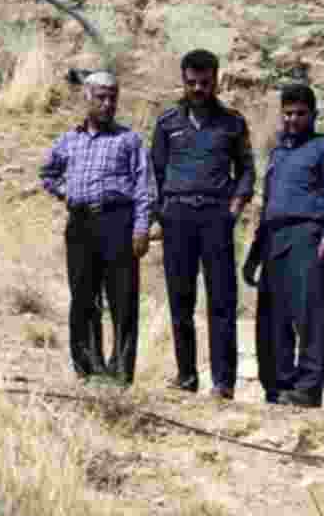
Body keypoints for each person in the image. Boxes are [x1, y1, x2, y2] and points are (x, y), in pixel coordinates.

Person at [151, 49, 254, 400]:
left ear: (216, 80)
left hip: (215, 217)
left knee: (222, 300)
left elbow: (246, 170)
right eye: (192, 82)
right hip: (177, 216)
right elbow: (155, 172)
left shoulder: (232, 122)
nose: (198, 89)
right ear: (183, 80)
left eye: (205, 82)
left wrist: (235, 207)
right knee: (180, 298)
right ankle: (186, 376)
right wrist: (160, 214)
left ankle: (223, 383)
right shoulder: (167, 123)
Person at [40, 72, 154, 385]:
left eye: (112, 98)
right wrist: (67, 192)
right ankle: (88, 369)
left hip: (117, 222)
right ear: (86, 98)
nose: (107, 104)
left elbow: (144, 187)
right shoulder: (69, 139)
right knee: (83, 297)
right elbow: (47, 173)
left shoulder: (128, 140)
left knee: (123, 298)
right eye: (101, 97)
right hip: (80, 224)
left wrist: (141, 228)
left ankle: (120, 373)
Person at [243, 84, 324, 407]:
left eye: (300, 113)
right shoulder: (278, 153)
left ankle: (307, 390)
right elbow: (267, 206)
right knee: (273, 317)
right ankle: (278, 386)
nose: (293, 119)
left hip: (308, 235)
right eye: (287, 113)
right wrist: (255, 253)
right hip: (274, 239)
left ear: (313, 115)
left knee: (308, 314)